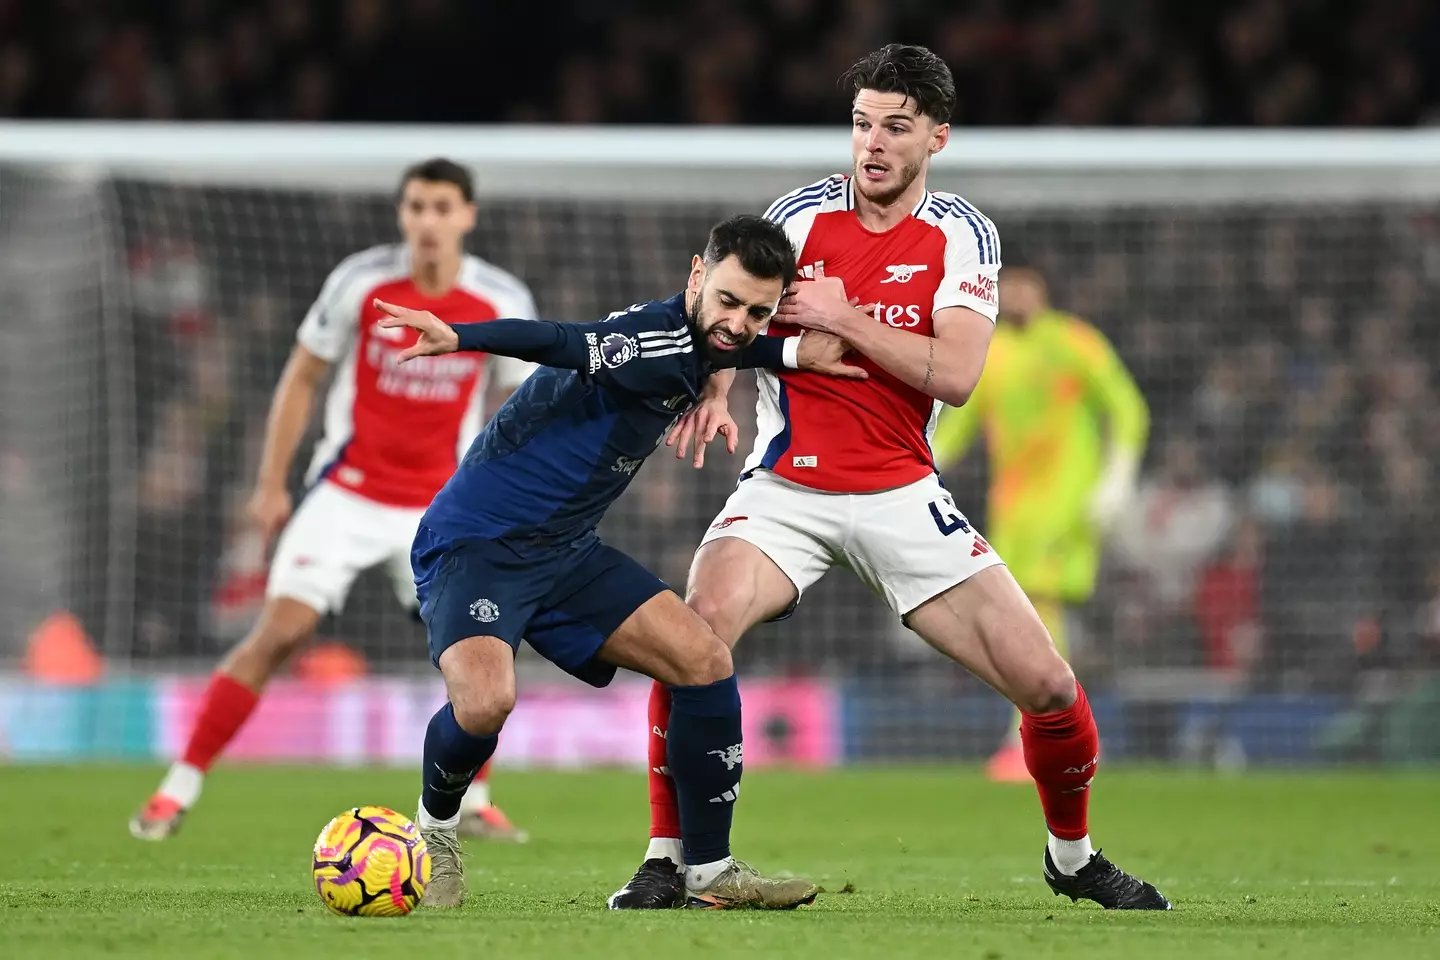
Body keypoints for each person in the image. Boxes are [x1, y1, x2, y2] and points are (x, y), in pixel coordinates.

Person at [611, 44, 1170, 911]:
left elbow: (954, 374)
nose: (871, 143)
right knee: (692, 639)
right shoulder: (795, 218)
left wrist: (847, 316)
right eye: (862, 124)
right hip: (784, 492)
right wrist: (717, 380)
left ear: (936, 139)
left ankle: (1073, 857)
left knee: (1051, 686)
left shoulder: (961, 233)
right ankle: (665, 857)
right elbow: (725, 308)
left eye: (895, 128)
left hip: (903, 493)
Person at [380, 214, 864, 909]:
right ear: (697, 275)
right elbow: (559, 341)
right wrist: (461, 337)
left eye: (759, 311)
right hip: (478, 545)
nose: (737, 322)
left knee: (704, 659)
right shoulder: (648, 341)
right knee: (487, 701)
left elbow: (730, 352)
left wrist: (787, 357)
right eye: (727, 300)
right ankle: (437, 830)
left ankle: (709, 870)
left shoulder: (711, 340)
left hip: (567, 552)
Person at [130, 159, 530, 842]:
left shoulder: (499, 298)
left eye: (441, 207)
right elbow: (302, 376)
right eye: (415, 207)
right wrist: (268, 483)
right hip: (346, 494)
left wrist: (508, 499)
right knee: (280, 631)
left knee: (482, 649)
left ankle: (474, 800)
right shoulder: (362, 282)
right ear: (401, 214)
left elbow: (523, 405)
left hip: (439, 509)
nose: (427, 221)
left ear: (468, 215)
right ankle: (177, 788)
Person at [929, 260, 1150, 781]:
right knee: (1023, 617)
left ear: (1043, 288)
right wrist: (923, 460)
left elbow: (1128, 407)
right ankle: (1059, 733)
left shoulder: (1074, 342)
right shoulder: (994, 350)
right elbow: (962, 426)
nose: (1018, 294)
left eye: (1026, 284)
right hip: (1013, 512)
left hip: (1067, 505)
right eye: (1009, 285)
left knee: (1039, 610)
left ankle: (1033, 737)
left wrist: (1118, 476)